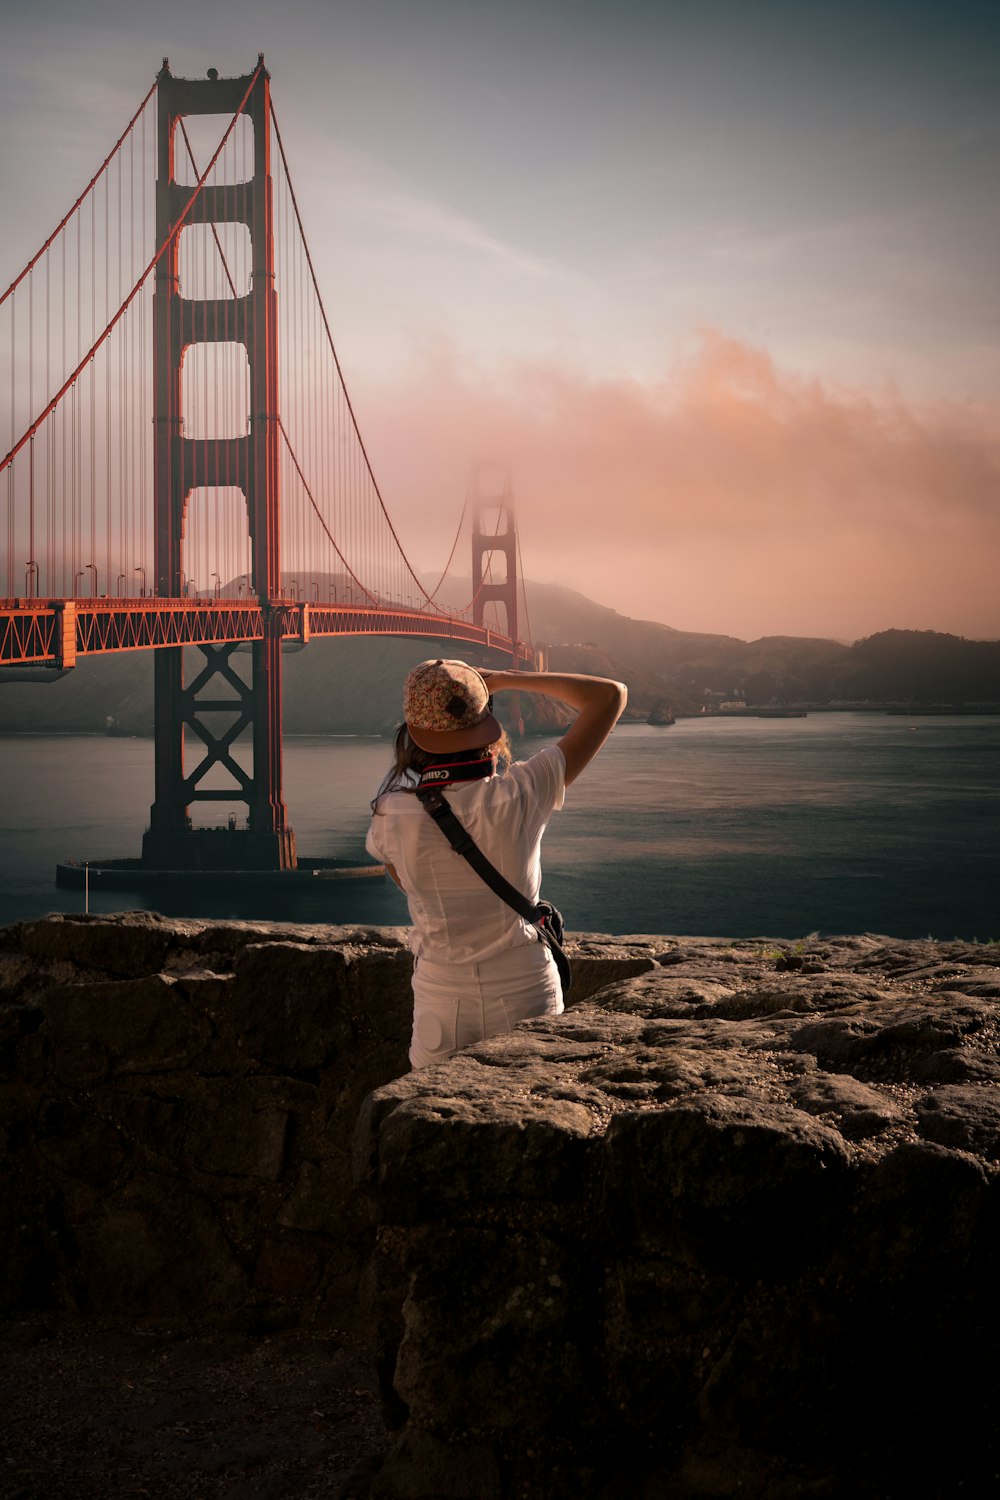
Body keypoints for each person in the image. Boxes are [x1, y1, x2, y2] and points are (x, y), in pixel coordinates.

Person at [366, 658, 627, 1069]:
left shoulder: (389, 814)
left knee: (433, 1122)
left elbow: (407, 883)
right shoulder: (523, 791)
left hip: (441, 997)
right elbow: (611, 695)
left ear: (413, 734)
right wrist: (506, 680)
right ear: (485, 729)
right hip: (526, 990)